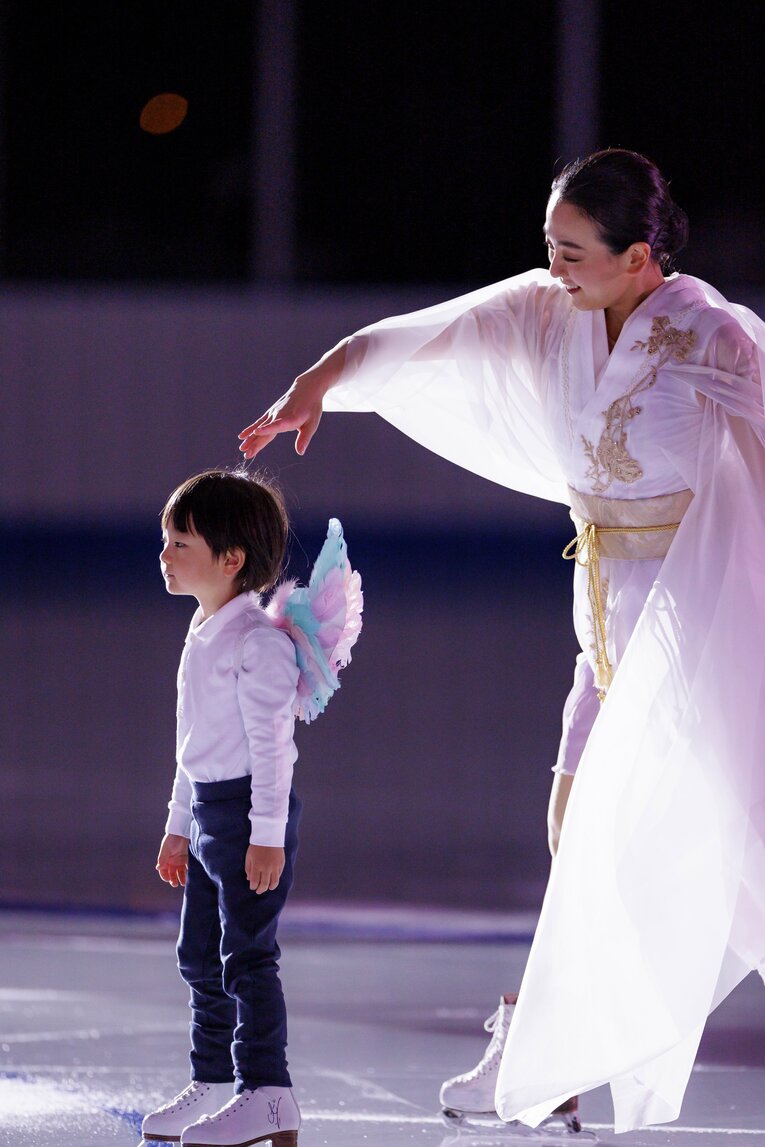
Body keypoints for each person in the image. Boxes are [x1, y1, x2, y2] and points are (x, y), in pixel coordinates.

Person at [237, 148, 765, 1136]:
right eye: (549, 245)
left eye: (572, 250)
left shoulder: (713, 335)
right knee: (575, 826)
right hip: (604, 610)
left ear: (639, 256)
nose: (552, 265)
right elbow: (435, 337)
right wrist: (321, 379)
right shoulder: (548, 312)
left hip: (695, 620)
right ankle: (550, 1049)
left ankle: (545, 1043)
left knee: (727, 837)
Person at [141, 469, 361, 1147]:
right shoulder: (203, 632)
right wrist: (179, 824)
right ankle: (211, 1079)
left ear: (230, 559)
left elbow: (271, 748)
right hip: (210, 810)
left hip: (245, 815)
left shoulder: (255, 644)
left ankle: (267, 1092)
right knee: (198, 954)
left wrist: (265, 835)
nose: (165, 554)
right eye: (166, 540)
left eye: (181, 542)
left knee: (246, 957)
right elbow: (191, 743)